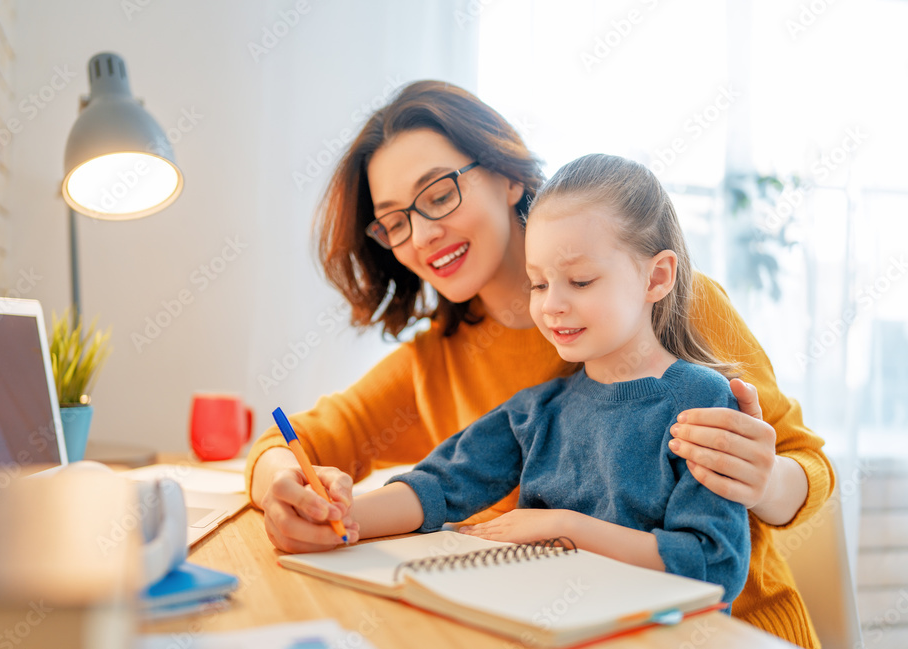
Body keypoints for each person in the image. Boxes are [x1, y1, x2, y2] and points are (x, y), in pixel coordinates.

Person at [246, 81, 831, 648]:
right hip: (564, 624)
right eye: (396, 220)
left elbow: (802, 465)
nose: (423, 234)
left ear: (506, 175)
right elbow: (314, 446)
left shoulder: (679, 309)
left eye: (438, 193)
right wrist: (294, 496)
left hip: (735, 631)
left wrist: (763, 480)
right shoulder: (444, 364)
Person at [338, 153, 752, 607]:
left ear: (657, 277)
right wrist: (341, 516)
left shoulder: (702, 403)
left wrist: (566, 529)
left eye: (579, 280)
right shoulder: (538, 410)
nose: (551, 305)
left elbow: (715, 564)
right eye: (538, 284)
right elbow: (440, 485)